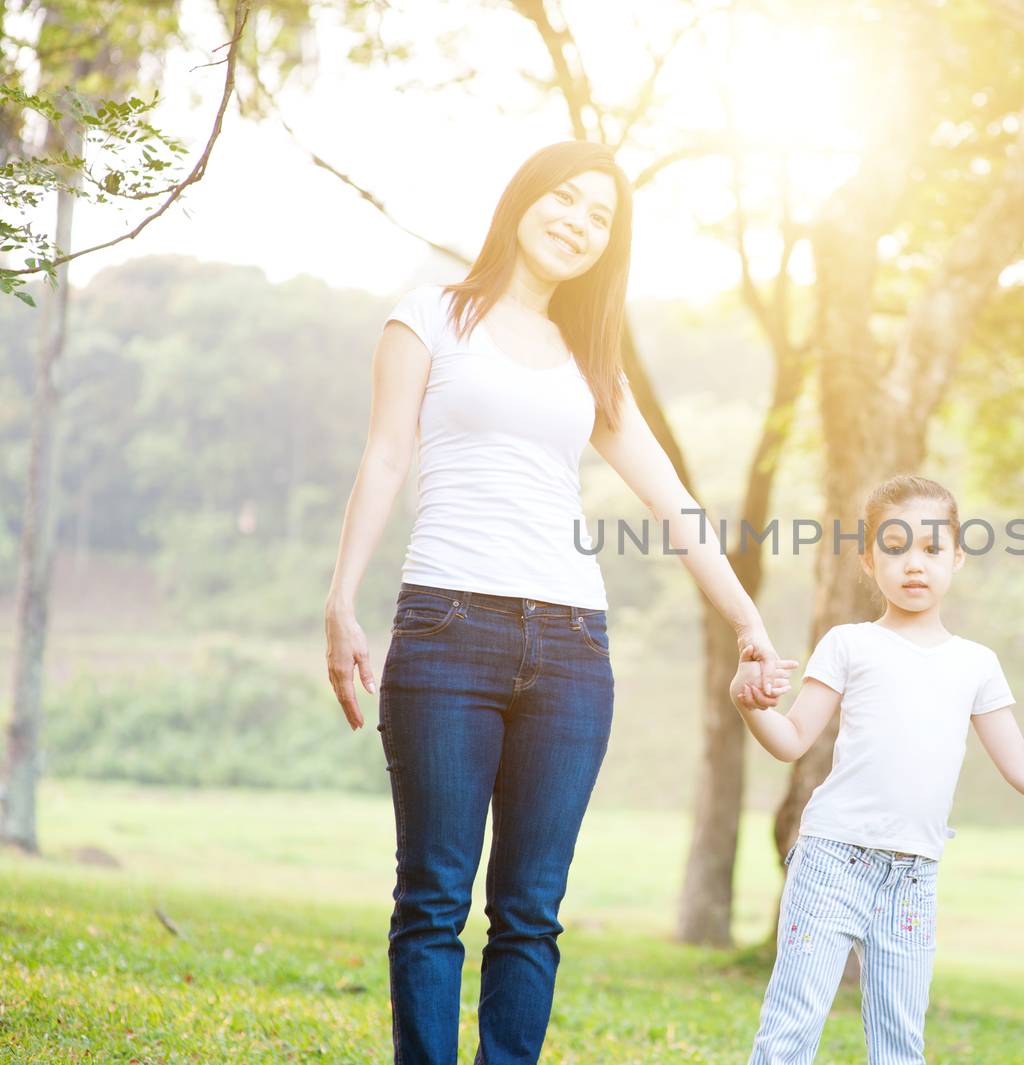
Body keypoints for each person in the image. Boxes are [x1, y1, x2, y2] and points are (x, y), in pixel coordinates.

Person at [323, 140, 792, 1065]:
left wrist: (748, 620)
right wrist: (342, 601)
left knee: (530, 910)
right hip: (447, 628)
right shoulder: (430, 316)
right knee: (432, 896)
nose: (578, 221)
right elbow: (384, 457)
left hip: (574, 646)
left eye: (600, 216)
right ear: (524, 199)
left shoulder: (591, 360)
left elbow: (673, 504)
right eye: (565, 200)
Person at [730, 474, 1024, 1065]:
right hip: (832, 860)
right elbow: (791, 739)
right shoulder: (849, 645)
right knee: (789, 1032)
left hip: (912, 878)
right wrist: (751, 706)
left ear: (957, 557)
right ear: (868, 559)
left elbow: (1022, 765)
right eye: (896, 547)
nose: (914, 564)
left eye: (932, 549)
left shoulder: (975, 665)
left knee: (900, 1045)